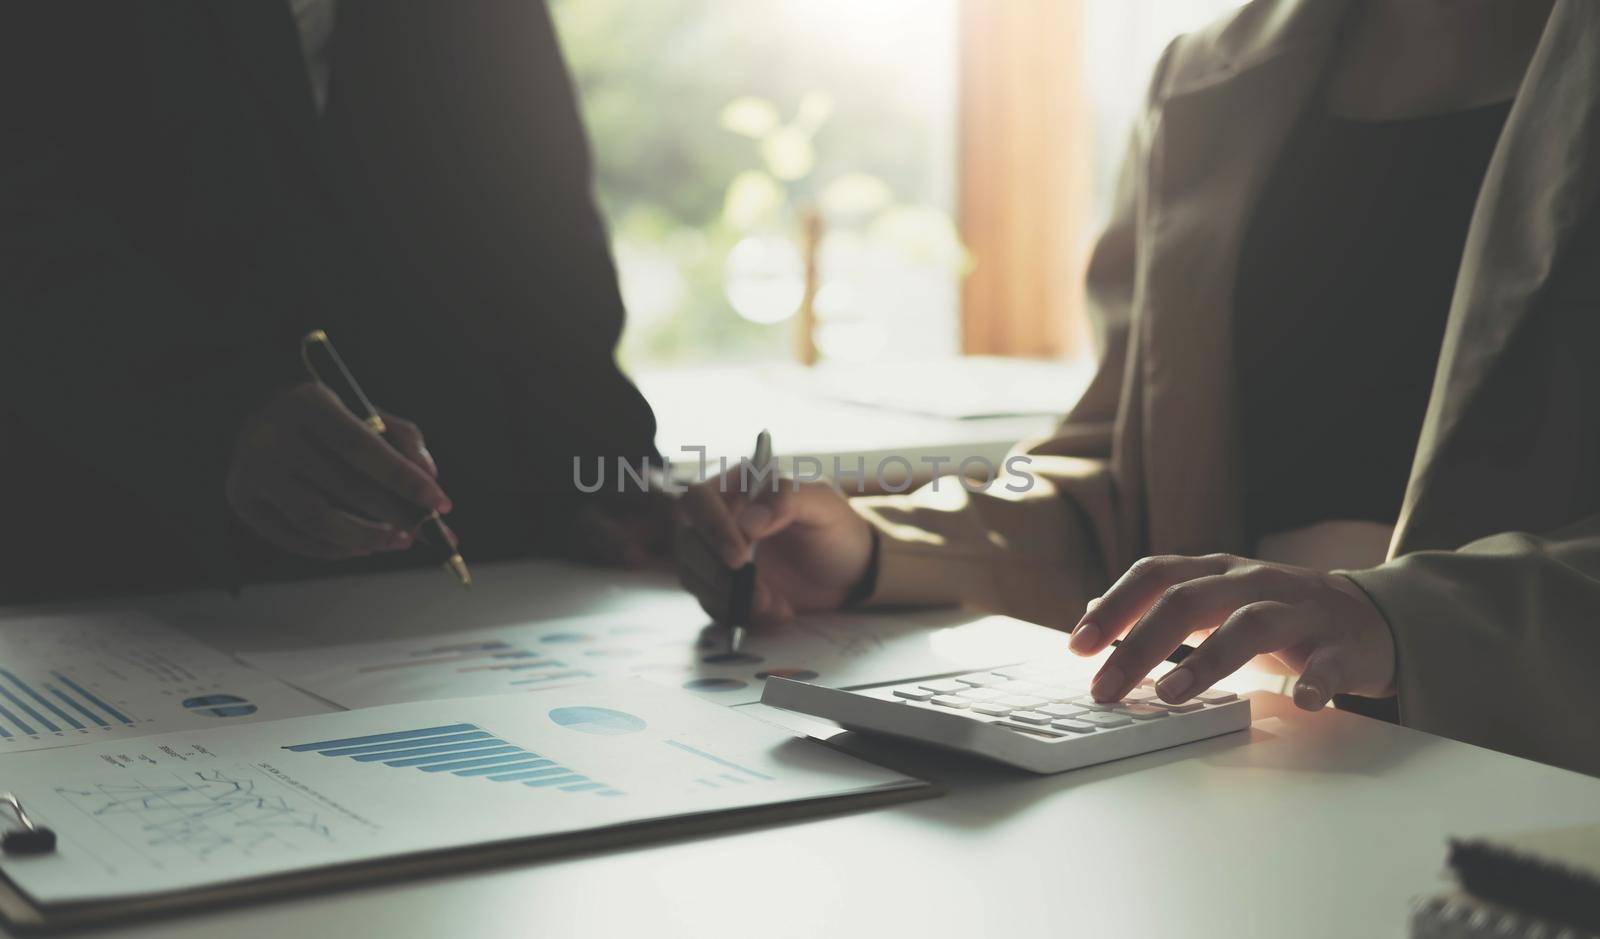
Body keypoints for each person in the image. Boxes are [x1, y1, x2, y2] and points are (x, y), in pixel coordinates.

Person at [677, 0, 1600, 777]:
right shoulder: (1208, 85)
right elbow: (1127, 495)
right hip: (1247, 770)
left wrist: (1398, 618)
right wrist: (878, 548)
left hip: (1518, 786)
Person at [0, 1, 664, 602]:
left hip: (465, 596)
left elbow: (544, 248)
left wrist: (627, 484)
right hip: (123, 577)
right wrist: (213, 414)